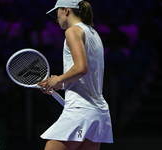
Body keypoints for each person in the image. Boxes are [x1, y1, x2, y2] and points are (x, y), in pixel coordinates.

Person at [38, 0, 113, 149]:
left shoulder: (72, 31)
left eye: (57, 13)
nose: (56, 18)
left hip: (80, 111)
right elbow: (88, 74)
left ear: (66, 10)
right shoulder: (93, 33)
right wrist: (61, 84)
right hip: (99, 113)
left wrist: (58, 79)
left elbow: (81, 68)